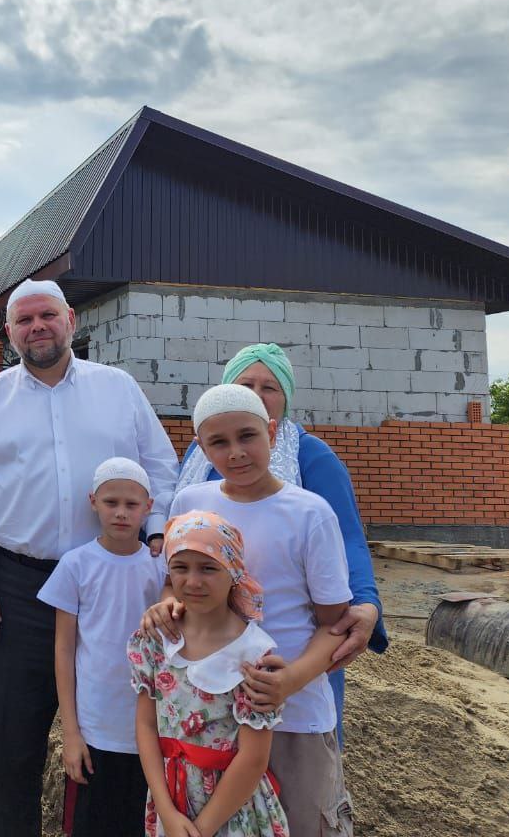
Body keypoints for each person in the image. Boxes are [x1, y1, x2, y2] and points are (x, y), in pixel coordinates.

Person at [0, 278, 180, 837]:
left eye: (46, 315)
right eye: (24, 321)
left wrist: (155, 540)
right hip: (16, 591)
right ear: (9, 333)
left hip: (111, 588)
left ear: (70, 319)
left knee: (114, 734)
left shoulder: (117, 389)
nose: (37, 328)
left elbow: (163, 470)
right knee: (13, 744)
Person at [152, 384, 353, 836]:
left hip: (295, 715)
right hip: (207, 717)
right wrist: (165, 606)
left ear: (273, 432)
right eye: (218, 443)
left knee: (304, 823)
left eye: (247, 436)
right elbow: (173, 582)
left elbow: (335, 624)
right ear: (200, 447)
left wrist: (287, 682)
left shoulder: (310, 514)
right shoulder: (190, 503)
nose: (236, 453)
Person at [174, 342, 386, 745]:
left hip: (291, 651)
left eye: (269, 387)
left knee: (299, 771)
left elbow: (347, 539)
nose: (256, 394)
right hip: (212, 645)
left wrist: (366, 601)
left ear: (285, 400)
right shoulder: (198, 457)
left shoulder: (312, 455)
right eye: (245, 384)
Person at [130, 512, 290, 837]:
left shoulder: (253, 654)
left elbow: (254, 758)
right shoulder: (158, 641)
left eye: (208, 567)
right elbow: (147, 725)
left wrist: (201, 830)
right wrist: (165, 809)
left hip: (231, 812)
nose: (193, 581)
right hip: (171, 804)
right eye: (180, 567)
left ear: (232, 571)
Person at [37, 457, 163, 837]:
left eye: (131, 504)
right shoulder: (76, 565)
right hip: (95, 732)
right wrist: (71, 733)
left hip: (150, 733)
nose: (121, 513)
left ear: (149, 508)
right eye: (111, 503)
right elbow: (63, 650)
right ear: (93, 501)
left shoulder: (162, 568)